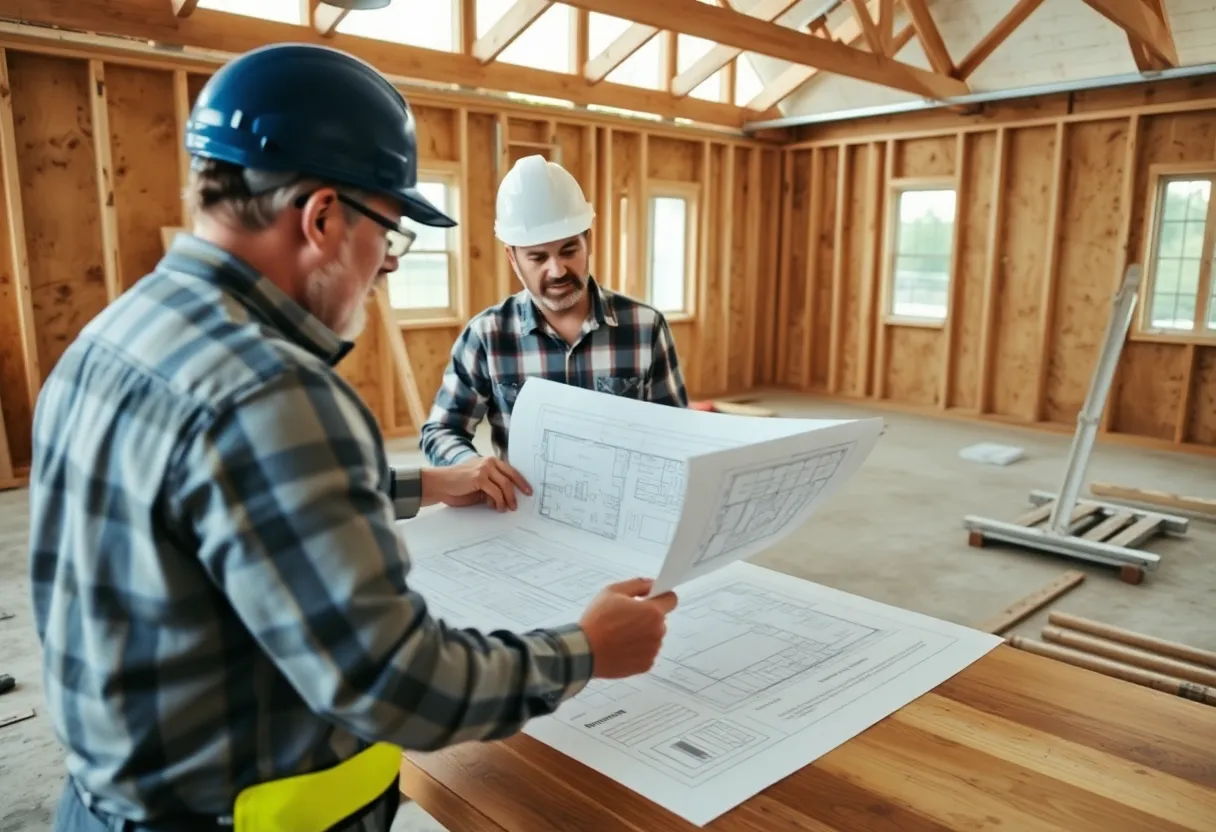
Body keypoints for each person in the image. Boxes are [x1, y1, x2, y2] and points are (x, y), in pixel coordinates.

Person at [28, 43, 677, 832]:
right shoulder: (277, 391)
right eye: (392, 235)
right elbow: (392, 680)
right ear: (323, 216)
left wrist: (423, 483)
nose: (386, 269)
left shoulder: (111, 337)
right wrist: (585, 650)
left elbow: (222, 499)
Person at [418, 155, 689, 469]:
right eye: (537, 258)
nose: (557, 270)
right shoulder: (487, 336)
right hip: (524, 511)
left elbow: (677, 434)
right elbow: (442, 430)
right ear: (513, 258)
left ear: (588, 241)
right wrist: (472, 467)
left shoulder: (645, 327)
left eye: (569, 251)